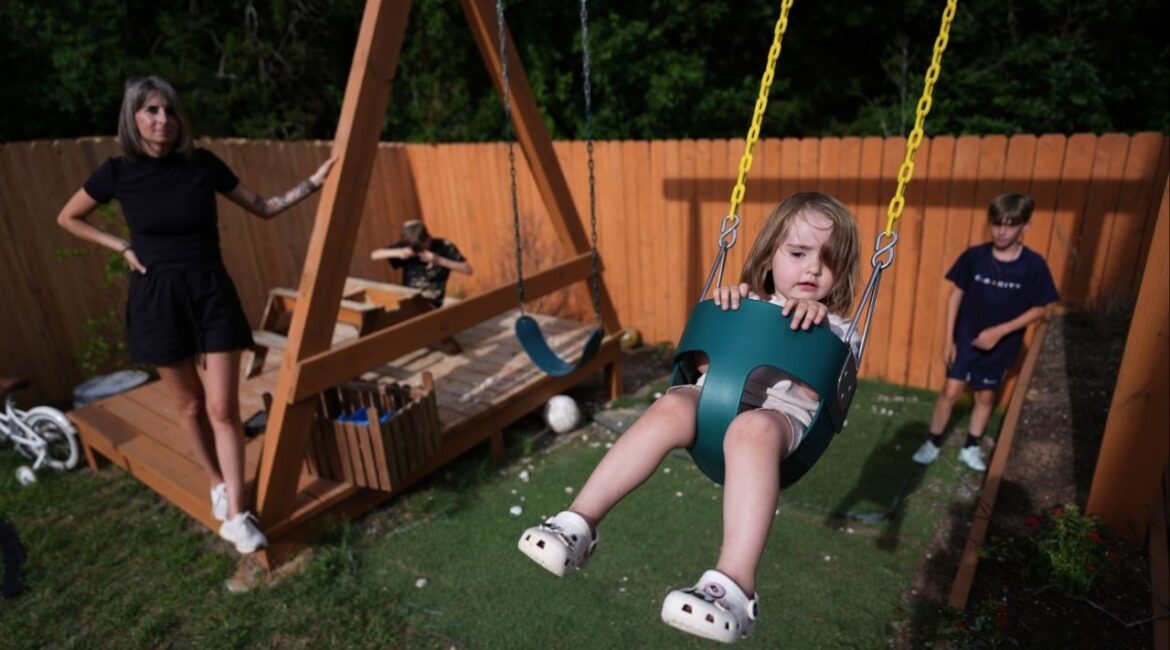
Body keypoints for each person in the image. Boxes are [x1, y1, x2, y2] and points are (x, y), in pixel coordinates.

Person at [517, 192, 861, 644]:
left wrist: (814, 329)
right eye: (798, 254)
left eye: (828, 259)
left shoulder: (838, 329)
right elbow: (702, 368)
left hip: (780, 426)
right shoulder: (746, 302)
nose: (813, 268)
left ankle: (735, 587)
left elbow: (821, 395)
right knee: (672, 404)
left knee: (750, 428)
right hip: (713, 406)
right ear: (770, 256)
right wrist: (726, 316)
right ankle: (577, 523)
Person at [56, 75, 336, 555]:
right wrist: (121, 245)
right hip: (156, 299)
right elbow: (67, 217)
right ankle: (217, 482)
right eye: (151, 110)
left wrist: (311, 184)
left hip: (211, 292)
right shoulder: (117, 172)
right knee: (189, 407)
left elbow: (264, 207)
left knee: (223, 408)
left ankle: (237, 514)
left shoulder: (201, 165)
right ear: (134, 117)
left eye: (170, 110)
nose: (163, 119)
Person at [912, 193, 1059, 472]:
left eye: (1010, 224)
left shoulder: (1034, 265)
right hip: (965, 339)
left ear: (1025, 226)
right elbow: (955, 296)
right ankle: (932, 442)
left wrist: (1000, 331)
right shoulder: (974, 257)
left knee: (986, 396)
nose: (1002, 231)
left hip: (1001, 346)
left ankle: (971, 446)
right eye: (996, 223)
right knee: (951, 390)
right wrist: (948, 340)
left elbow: (1040, 308)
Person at [369, 220, 472, 308]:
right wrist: (398, 253)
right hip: (407, 300)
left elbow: (468, 269)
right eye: (416, 249)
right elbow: (374, 255)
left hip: (429, 304)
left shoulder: (443, 246)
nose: (419, 251)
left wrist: (439, 260)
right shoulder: (408, 245)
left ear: (429, 238)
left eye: (423, 247)